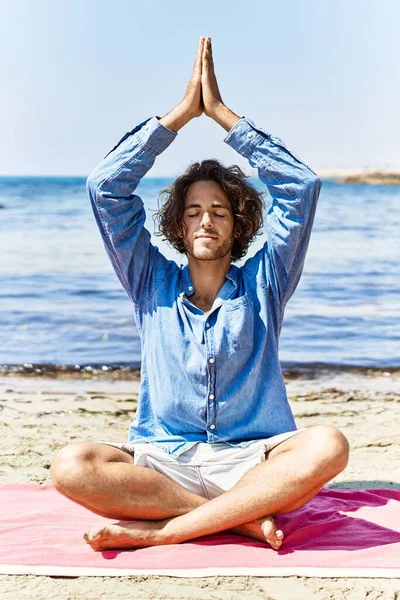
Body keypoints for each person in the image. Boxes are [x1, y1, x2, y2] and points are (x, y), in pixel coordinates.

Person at [51, 37, 349, 552]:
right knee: (70, 466)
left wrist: (223, 117)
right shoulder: (149, 281)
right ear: (178, 226)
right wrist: (180, 117)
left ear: (238, 226)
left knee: (329, 444)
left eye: (219, 211)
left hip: (257, 461)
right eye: (192, 212)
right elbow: (105, 188)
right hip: (167, 463)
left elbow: (301, 186)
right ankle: (234, 521)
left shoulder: (266, 280)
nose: (206, 219)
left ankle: (165, 531)